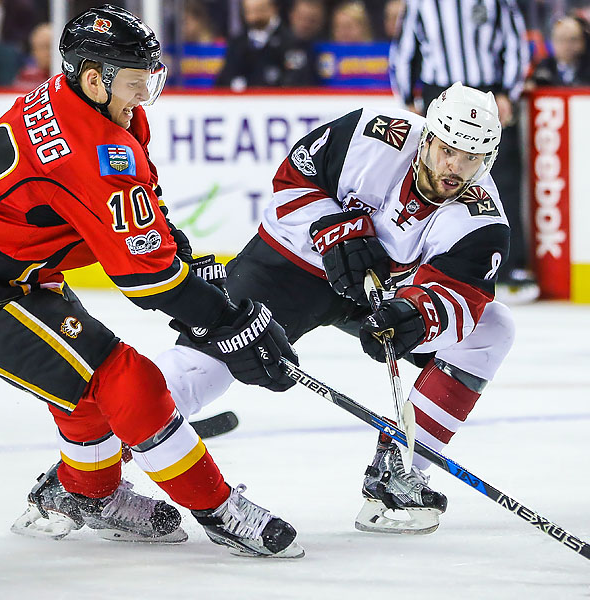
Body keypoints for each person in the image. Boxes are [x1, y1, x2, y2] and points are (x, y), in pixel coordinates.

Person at [0, 4, 302, 558]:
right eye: (136, 82)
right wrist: (230, 321)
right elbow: (147, 281)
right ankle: (218, 509)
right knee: (127, 380)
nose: (145, 94)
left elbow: (141, 217)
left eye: (150, 79)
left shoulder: (85, 100)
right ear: (95, 78)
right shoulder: (95, 149)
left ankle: (86, 495)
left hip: (7, 265)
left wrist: (180, 258)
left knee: (81, 387)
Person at [151, 82, 516, 535]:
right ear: (428, 137)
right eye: (447, 150)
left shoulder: (482, 219)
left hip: (373, 293)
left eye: (472, 158)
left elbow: (460, 296)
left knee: (493, 328)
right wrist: (335, 230)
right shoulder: (372, 134)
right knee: (200, 370)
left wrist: (414, 317)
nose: (455, 168)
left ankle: (400, 471)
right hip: (286, 268)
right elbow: (290, 180)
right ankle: (88, 470)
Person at [390, 0, 535, 303]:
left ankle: (506, 266)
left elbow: (515, 44)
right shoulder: (421, 3)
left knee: (500, 178)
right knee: (434, 178)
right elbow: (404, 50)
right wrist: (407, 98)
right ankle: (431, 262)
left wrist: (508, 91)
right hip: (440, 94)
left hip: (487, 95)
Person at [215, 0, 317, 90]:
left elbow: (298, 82)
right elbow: (223, 81)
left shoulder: (291, 43)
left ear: (273, 8)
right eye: (249, 11)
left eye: (259, 10)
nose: (253, 16)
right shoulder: (237, 43)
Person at [527, 15, 590, 88]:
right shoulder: (543, 68)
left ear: (583, 42)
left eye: (573, 39)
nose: (567, 45)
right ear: (552, 42)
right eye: (561, 39)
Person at [13, 22, 52, 91]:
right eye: (42, 47)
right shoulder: (26, 77)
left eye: (50, 47)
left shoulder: (69, 79)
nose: (47, 53)